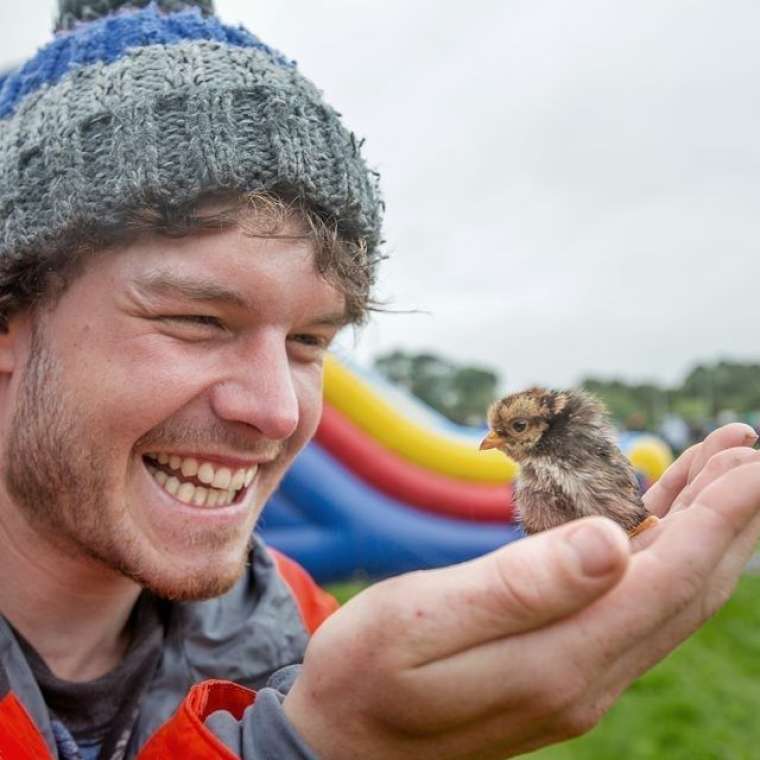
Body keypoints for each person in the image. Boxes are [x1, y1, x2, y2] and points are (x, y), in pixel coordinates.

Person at [1, 1, 760, 758]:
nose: (274, 411)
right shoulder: (331, 701)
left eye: (308, 340)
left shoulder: (298, 628)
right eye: (198, 321)